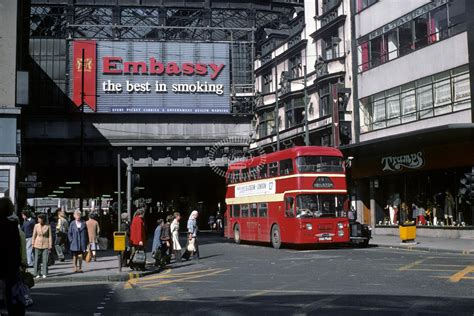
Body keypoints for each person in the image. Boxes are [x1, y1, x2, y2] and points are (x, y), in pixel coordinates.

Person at [0, 197, 25, 315]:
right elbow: (15, 247)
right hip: (10, 266)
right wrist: (19, 264)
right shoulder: (12, 225)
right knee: (11, 295)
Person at [32, 214, 52, 279]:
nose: (38, 220)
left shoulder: (48, 226)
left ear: (43, 219)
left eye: (39, 219)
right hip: (37, 243)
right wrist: (33, 244)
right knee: (37, 259)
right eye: (38, 219)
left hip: (45, 244)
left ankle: (44, 273)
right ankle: (37, 273)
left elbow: (50, 236)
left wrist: (50, 245)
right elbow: (34, 235)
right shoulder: (36, 225)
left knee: (45, 259)